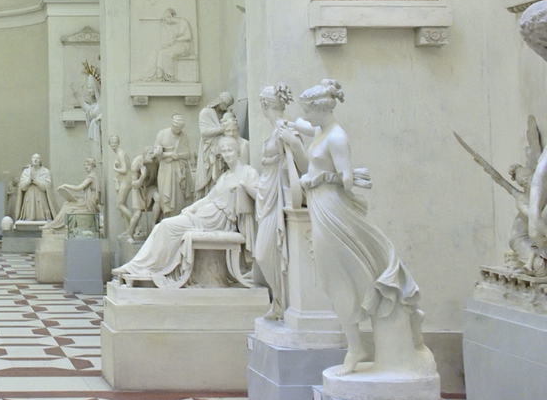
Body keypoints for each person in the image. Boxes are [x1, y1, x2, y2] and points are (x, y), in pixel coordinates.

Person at [299, 79, 430, 376]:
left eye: (308, 111)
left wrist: (318, 179)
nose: (305, 116)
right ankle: (365, 340)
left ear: (321, 109)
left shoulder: (336, 137)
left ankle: (357, 346)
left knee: (340, 275)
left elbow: (347, 180)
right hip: (320, 207)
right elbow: (300, 125)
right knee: (332, 277)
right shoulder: (320, 131)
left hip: (333, 208)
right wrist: (278, 116)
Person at [113, 135, 259, 286]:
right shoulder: (225, 176)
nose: (227, 154)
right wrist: (192, 207)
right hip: (207, 214)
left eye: (230, 150)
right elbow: (209, 198)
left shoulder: (248, 172)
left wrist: (244, 185)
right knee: (160, 227)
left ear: (237, 151)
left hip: (219, 219)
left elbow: (259, 197)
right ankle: (141, 266)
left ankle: (144, 267)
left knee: (166, 226)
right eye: (224, 151)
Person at [255, 84, 307, 320]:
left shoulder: (286, 129)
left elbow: (304, 165)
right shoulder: (275, 129)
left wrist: (293, 144)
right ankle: (279, 302)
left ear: (265, 104)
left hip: (277, 196)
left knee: (264, 253)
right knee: (266, 253)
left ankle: (283, 300)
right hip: (266, 196)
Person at [42, 158, 100, 234]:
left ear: (92, 165)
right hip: (87, 200)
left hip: (89, 203)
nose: (86, 167)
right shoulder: (93, 175)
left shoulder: (91, 177)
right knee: (67, 203)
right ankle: (55, 225)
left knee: (68, 206)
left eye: (88, 165)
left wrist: (65, 185)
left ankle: (54, 226)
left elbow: (79, 187)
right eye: (85, 165)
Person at [195, 92, 235, 199]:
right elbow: (204, 132)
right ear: (220, 101)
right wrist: (221, 129)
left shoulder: (224, 114)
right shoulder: (205, 112)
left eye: (228, 105)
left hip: (221, 151)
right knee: (209, 177)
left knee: (220, 176)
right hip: (208, 150)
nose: (226, 107)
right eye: (226, 104)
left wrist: (230, 116)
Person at [153, 113, 192, 219]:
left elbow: (187, 154)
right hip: (166, 170)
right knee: (166, 197)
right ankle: (167, 220)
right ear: (172, 125)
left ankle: (177, 221)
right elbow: (156, 153)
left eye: (180, 128)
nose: (178, 131)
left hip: (179, 171)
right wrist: (168, 154)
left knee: (179, 198)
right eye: (176, 128)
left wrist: (177, 156)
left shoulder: (183, 137)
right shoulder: (162, 134)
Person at [151, 9, 194, 82]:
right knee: (161, 52)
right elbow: (170, 40)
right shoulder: (172, 26)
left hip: (185, 46)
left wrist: (176, 40)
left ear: (170, 17)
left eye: (165, 19)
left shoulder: (183, 22)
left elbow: (189, 36)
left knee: (168, 52)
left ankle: (170, 76)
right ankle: (159, 76)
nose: (165, 22)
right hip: (176, 45)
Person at [14, 153, 56, 223]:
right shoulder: (26, 172)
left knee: (42, 219)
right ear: (31, 160)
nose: (35, 160)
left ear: (40, 161)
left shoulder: (45, 172)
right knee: (29, 217)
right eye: (34, 158)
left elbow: (46, 187)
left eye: (37, 158)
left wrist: (35, 180)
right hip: (29, 199)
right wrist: (29, 180)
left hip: (41, 199)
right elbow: (22, 187)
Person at [110, 135, 133, 231]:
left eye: (115, 142)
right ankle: (129, 230)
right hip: (123, 180)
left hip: (126, 180)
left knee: (119, 205)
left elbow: (124, 170)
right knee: (124, 205)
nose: (113, 144)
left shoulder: (120, 154)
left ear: (118, 143)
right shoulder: (118, 153)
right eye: (112, 142)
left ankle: (136, 226)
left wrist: (114, 168)